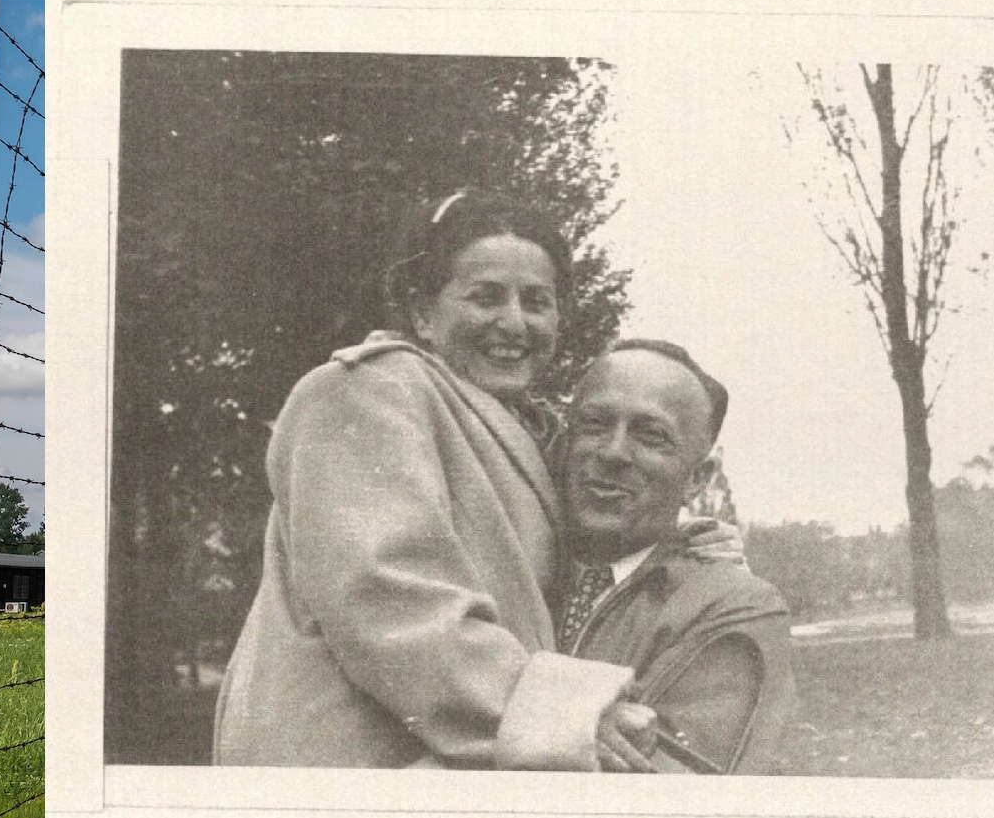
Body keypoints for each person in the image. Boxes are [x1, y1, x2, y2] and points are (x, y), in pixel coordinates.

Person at [212, 190, 652, 771]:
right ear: (423, 313)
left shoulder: (525, 427)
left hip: (441, 768)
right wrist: (558, 714)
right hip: (346, 773)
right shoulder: (367, 390)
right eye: (485, 297)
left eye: (537, 301)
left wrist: (679, 540)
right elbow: (388, 594)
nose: (515, 323)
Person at [555, 340, 796, 773]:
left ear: (698, 479)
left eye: (652, 436)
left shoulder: (733, 606)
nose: (612, 453)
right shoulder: (513, 564)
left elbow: (669, 797)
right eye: (593, 424)